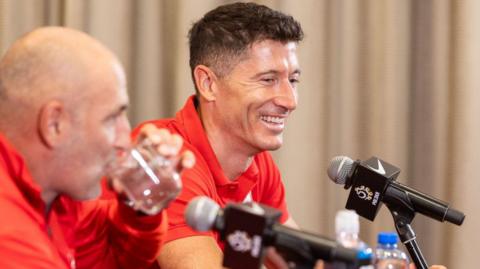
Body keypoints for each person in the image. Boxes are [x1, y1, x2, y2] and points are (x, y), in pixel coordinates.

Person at [0, 27, 193, 269]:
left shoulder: (56, 196)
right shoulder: (10, 238)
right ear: (55, 124)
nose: (125, 139)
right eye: (112, 119)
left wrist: (138, 205)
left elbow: (117, 257)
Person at [130, 2, 303, 268]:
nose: (289, 101)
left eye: (292, 80)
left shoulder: (257, 162)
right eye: (267, 80)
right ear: (208, 84)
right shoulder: (167, 158)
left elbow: (299, 260)